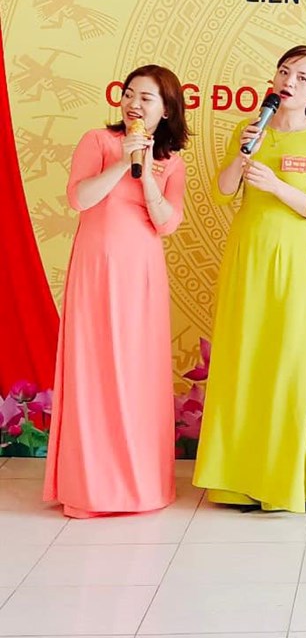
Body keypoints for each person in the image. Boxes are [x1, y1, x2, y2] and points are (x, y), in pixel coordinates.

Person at [193, 45, 306, 513]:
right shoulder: (250, 128)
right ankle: (235, 482)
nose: (289, 82)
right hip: (246, 255)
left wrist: (277, 186)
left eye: (301, 77)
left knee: (286, 364)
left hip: (291, 259)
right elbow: (222, 192)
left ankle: (287, 479)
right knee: (242, 360)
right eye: (284, 72)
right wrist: (243, 156)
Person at [44, 65, 189, 518]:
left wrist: (145, 175)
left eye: (146, 98)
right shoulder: (98, 141)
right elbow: (80, 199)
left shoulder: (173, 162)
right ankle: (91, 488)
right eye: (129, 94)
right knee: (94, 370)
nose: (133, 104)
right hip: (96, 269)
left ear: (166, 110)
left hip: (142, 274)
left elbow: (167, 223)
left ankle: (142, 486)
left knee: (138, 373)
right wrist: (122, 161)